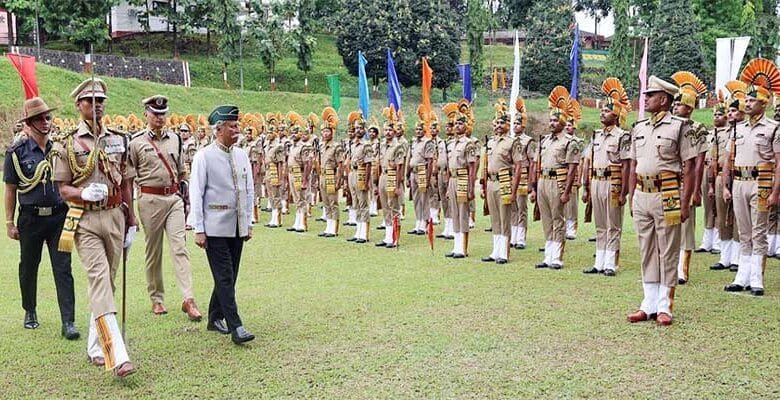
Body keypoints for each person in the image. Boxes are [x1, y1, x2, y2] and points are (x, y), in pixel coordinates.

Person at [52, 78, 136, 376]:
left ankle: (94, 346)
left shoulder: (118, 139)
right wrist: (83, 193)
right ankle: (117, 353)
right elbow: (63, 188)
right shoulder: (67, 142)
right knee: (99, 278)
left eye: (101, 99)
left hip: (114, 214)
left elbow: (126, 181)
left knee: (108, 283)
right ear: (79, 105)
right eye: (90, 100)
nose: (97, 104)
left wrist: (132, 220)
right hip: (84, 218)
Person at [4, 97, 79, 339]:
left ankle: (68, 321)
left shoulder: (61, 148)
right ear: (28, 123)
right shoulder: (16, 152)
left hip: (59, 217)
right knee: (28, 266)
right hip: (30, 218)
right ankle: (30, 311)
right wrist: (8, 222)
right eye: (39, 119)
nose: (45, 122)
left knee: (63, 268)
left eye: (47, 117)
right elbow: (11, 188)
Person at [626, 75, 697, 327]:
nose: (645, 98)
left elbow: (689, 168)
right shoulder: (640, 127)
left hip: (667, 191)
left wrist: (686, 201)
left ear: (663, 99)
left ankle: (665, 304)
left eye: (650, 95)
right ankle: (648, 303)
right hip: (642, 193)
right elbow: (634, 163)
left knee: (667, 248)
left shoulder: (680, 127)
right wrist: (631, 194)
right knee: (646, 247)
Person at [127, 95, 202, 320]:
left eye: (163, 114)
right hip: (149, 200)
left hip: (173, 200)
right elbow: (129, 178)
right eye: (155, 113)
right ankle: (157, 299)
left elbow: (181, 171)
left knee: (180, 247)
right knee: (154, 251)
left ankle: (189, 299)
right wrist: (131, 212)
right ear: (146, 114)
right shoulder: (135, 142)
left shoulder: (176, 139)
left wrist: (185, 196)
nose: (160, 118)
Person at [189, 105, 255, 345]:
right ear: (219, 129)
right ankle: (236, 326)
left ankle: (214, 317)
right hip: (214, 227)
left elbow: (249, 189)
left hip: (237, 226)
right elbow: (196, 193)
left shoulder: (241, 154)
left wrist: (248, 222)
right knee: (225, 276)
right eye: (232, 126)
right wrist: (198, 228)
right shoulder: (204, 156)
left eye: (237, 125)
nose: (237, 130)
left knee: (230, 275)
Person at [723, 58, 780, 296]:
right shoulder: (738, 128)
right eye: (746, 99)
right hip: (739, 182)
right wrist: (726, 186)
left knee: (758, 232)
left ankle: (756, 279)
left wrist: (776, 192)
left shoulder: (773, 128)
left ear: (764, 104)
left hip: (762, 183)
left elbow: (779, 162)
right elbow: (728, 158)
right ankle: (741, 277)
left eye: (752, 100)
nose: (747, 103)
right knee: (743, 230)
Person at [582, 78, 631, 276]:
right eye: (601, 110)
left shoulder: (622, 136)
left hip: (613, 182)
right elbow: (589, 161)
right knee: (600, 223)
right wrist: (586, 186)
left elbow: (627, 166)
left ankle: (611, 262)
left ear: (616, 114)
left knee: (613, 224)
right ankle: (599, 260)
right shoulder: (596, 135)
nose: (602, 113)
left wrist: (624, 191)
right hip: (596, 181)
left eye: (607, 111)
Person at [534, 87, 581, 270]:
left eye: (555, 120)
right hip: (543, 181)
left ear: (563, 122)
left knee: (557, 219)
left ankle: (557, 257)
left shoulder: (570, 142)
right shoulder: (544, 140)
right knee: (546, 219)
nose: (552, 123)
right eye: (551, 120)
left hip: (557, 182)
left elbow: (571, 169)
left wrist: (567, 191)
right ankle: (548, 255)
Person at [670, 71, 710, 285]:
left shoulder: (697, 129)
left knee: (686, 226)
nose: (676, 108)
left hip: (686, 182)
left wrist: (695, 190)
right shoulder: (670, 126)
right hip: (669, 182)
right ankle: (669, 265)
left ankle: (682, 268)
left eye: (681, 105)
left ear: (690, 107)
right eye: (675, 105)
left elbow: (698, 163)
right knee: (668, 224)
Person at [481, 99, 521, 264]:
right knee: (495, 218)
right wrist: (483, 185)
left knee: (505, 217)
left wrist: (514, 190)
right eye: (496, 123)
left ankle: (504, 252)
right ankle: (495, 251)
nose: (498, 126)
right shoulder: (490, 142)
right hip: (490, 182)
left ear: (508, 125)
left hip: (504, 181)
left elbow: (518, 167)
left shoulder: (512, 142)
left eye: (501, 123)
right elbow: (485, 165)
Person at [709, 83, 743, 271]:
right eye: (728, 111)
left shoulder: (744, 131)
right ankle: (725, 257)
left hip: (740, 177)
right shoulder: (720, 133)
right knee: (722, 218)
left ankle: (738, 258)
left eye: (734, 111)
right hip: (722, 177)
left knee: (738, 218)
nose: (730, 114)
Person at [443, 100, 478, 258]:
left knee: (463, 213)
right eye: (455, 123)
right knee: (454, 212)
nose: (457, 126)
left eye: (460, 124)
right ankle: (456, 246)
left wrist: (471, 188)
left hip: (463, 179)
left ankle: (463, 248)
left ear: (466, 126)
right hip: (453, 179)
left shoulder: (468, 144)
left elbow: (472, 167)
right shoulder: (451, 144)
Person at [375, 107, 406, 248]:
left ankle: (395, 238)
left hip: (393, 177)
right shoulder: (382, 145)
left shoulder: (398, 147)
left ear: (394, 132)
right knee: (385, 207)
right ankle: (388, 236)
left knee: (394, 207)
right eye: (386, 130)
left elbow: (400, 167)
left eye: (390, 130)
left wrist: (399, 185)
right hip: (383, 176)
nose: (387, 132)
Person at [509, 98, 536, 250]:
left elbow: (532, 162)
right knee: (512, 207)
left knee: (522, 207)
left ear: (523, 125)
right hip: (512, 176)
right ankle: (513, 235)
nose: (515, 126)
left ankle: (521, 237)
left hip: (524, 175)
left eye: (518, 123)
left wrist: (531, 183)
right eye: (514, 123)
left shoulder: (528, 141)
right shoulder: (511, 140)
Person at [345, 115, 374, 243]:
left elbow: (368, 164)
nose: (358, 130)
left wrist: (367, 181)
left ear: (364, 130)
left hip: (361, 174)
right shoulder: (352, 144)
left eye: (360, 128)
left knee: (363, 203)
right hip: (352, 173)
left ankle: (364, 233)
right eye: (356, 128)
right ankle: (358, 230)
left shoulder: (366, 145)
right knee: (355, 203)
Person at [407, 107, 435, 235]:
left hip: (423, 172)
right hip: (413, 173)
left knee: (424, 198)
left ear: (424, 131)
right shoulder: (413, 142)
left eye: (420, 129)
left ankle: (425, 222)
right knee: (416, 198)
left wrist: (428, 178)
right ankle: (418, 221)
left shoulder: (428, 142)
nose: (418, 131)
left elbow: (430, 161)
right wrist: (407, 176)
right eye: (417, 129)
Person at [284, 112, 314, 233]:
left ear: (301, 134)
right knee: (296, 199)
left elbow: (307, 164)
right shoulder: (291, 146)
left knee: (302, 199)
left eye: (296, 132)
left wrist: (305, 180)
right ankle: (297, 222)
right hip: (292, 173)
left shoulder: (305, 146)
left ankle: (303, 223)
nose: (293, 135)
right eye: (292, 132)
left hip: (299, 173)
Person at [318, 107, 345, 237]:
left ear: (332, 132)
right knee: (325, 202)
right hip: (322, 175)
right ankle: (328, 226)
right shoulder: (321, 146)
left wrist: (339, 180)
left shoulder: (336, 146)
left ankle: (334, 228)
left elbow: (340, 165)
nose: (325, 133)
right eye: (323, 131)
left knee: (333, 202)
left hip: (331, 175)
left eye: (327, 131)